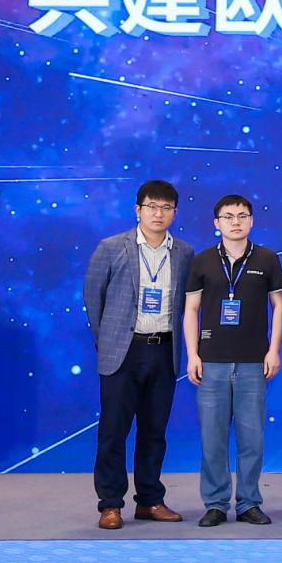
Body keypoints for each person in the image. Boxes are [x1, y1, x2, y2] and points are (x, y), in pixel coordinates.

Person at [84, 180, 194, 530]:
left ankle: (149, 500)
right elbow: (93, 298)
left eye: (166, 207)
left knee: (154, 431)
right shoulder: (111, 247)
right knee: (113, 430)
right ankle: (110, 504)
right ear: (138, 210)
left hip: (163, 350)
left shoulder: (184, 253)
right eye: (152, 206)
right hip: (122, 351)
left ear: (174, 212)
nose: (158, 214)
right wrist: (107, 340)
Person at [183, 194, 282, 527]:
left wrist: (273, 350)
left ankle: (248, 503)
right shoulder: (202, 261)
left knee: (251, 439)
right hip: (211, 361)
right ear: (217, 223)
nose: (236, 222)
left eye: (242, 216)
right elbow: (191, 310)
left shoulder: (267, 259)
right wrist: (192, 354)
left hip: (253, 362)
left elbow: (279, 307)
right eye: (228, 216)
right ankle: (215, 503)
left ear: (251, 221)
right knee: (212, 439)